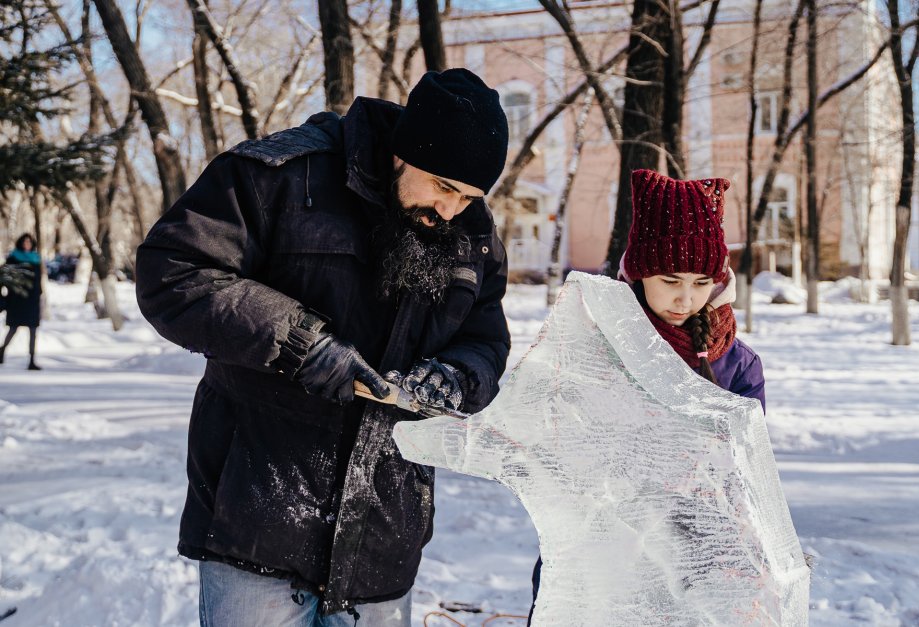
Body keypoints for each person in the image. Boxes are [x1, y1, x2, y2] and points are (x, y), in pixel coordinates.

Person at [135, 68, 511, 627]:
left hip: (383, 537)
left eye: (470, 196)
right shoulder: (283, 177)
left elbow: (485, 336)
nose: (452, 210)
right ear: (402, 154)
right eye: (443, 187)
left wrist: (458, 375)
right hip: (258, 516)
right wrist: (303, 347)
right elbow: (175, 273)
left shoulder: (471, 233)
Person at [527, 168, 766, 622]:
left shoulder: (737, 363)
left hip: (695, 554)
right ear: (638, 276)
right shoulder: (595, 346)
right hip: (601, 542)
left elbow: (746, 470)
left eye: (701, 283)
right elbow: (560, 445)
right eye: (670, 280)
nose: (685, 299)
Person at [1, 233, 43, 370]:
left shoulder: (36, 259)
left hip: (32, 301)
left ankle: (32, 360)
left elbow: (38, 280)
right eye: (25, 241)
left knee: (33, 330)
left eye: (29, 242)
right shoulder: (13, 258)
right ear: (20, 243)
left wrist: (39, 293)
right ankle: (1, 351)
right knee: (13, 329)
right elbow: (4, 277)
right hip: (16, 301)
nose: (27, 244)